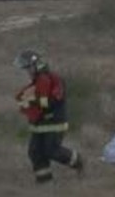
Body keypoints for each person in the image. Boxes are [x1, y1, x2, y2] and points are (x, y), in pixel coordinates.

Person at [14, 50, 84, 184]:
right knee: (35, 152)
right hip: (39, 125)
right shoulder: (37, 82)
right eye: (26, 69)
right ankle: (44, 181)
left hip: (54, 123)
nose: (27, 72)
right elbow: (31, 99)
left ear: (36, 65)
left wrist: (31, 101)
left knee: (52, 151)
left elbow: (51, 102)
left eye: (28, 68)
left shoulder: (53, 80)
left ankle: (78, 162)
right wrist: (25, 101)